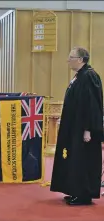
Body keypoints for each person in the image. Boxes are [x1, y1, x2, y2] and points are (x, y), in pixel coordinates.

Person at [50, 47, 103, 206]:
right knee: (74, 159)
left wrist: (88, 129)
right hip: (75, 127)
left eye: (71, 57)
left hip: (84, 129)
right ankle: (74, 190)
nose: (68, 60)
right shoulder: (80, 76)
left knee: (83, 160)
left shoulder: (89, 76)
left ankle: (84, 195)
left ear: (80, 59)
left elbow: (92, 105)